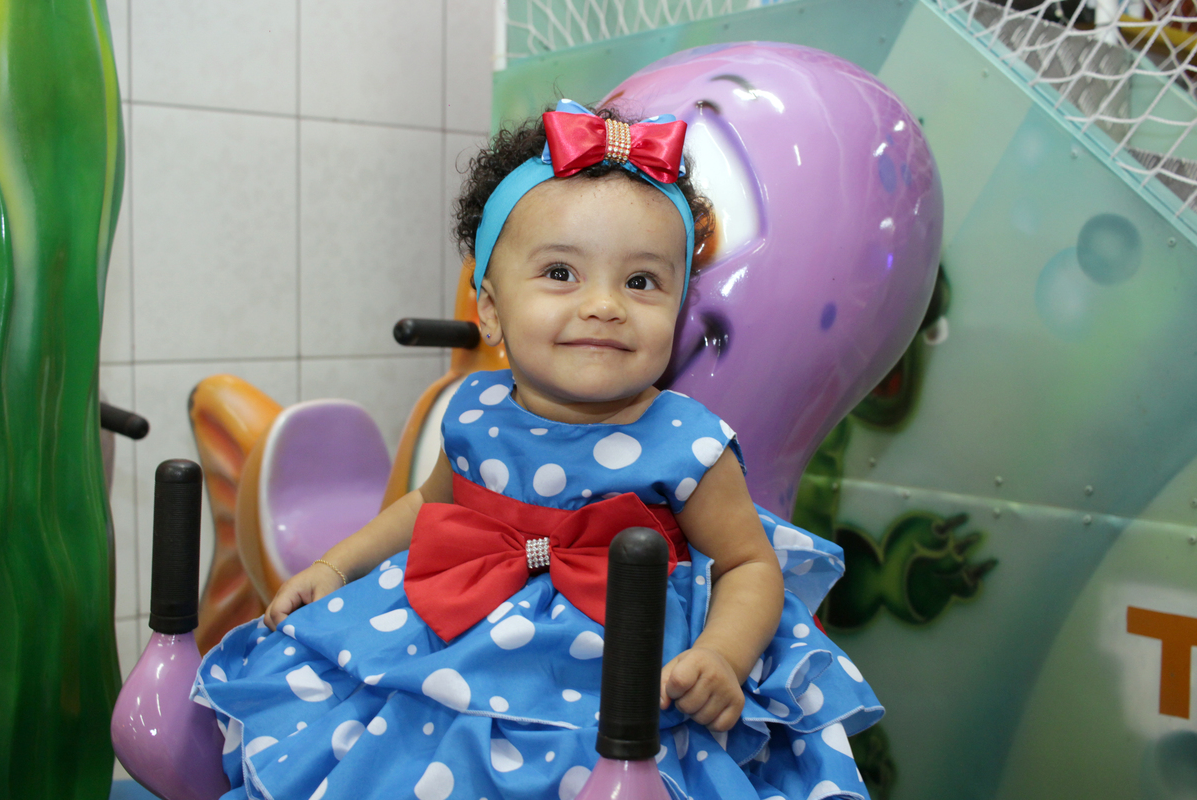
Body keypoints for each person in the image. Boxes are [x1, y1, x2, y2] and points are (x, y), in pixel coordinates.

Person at [194, 100, 882, 800]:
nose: (605, 305)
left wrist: (722, 657)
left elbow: (748, 565)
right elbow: (426, 506)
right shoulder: (475, 409)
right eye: (560, 273)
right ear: (491, 310)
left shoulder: (690, 444)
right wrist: (336, 566)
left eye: (641, 282)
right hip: (457, 643)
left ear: (678, 310)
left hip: (625, 679)